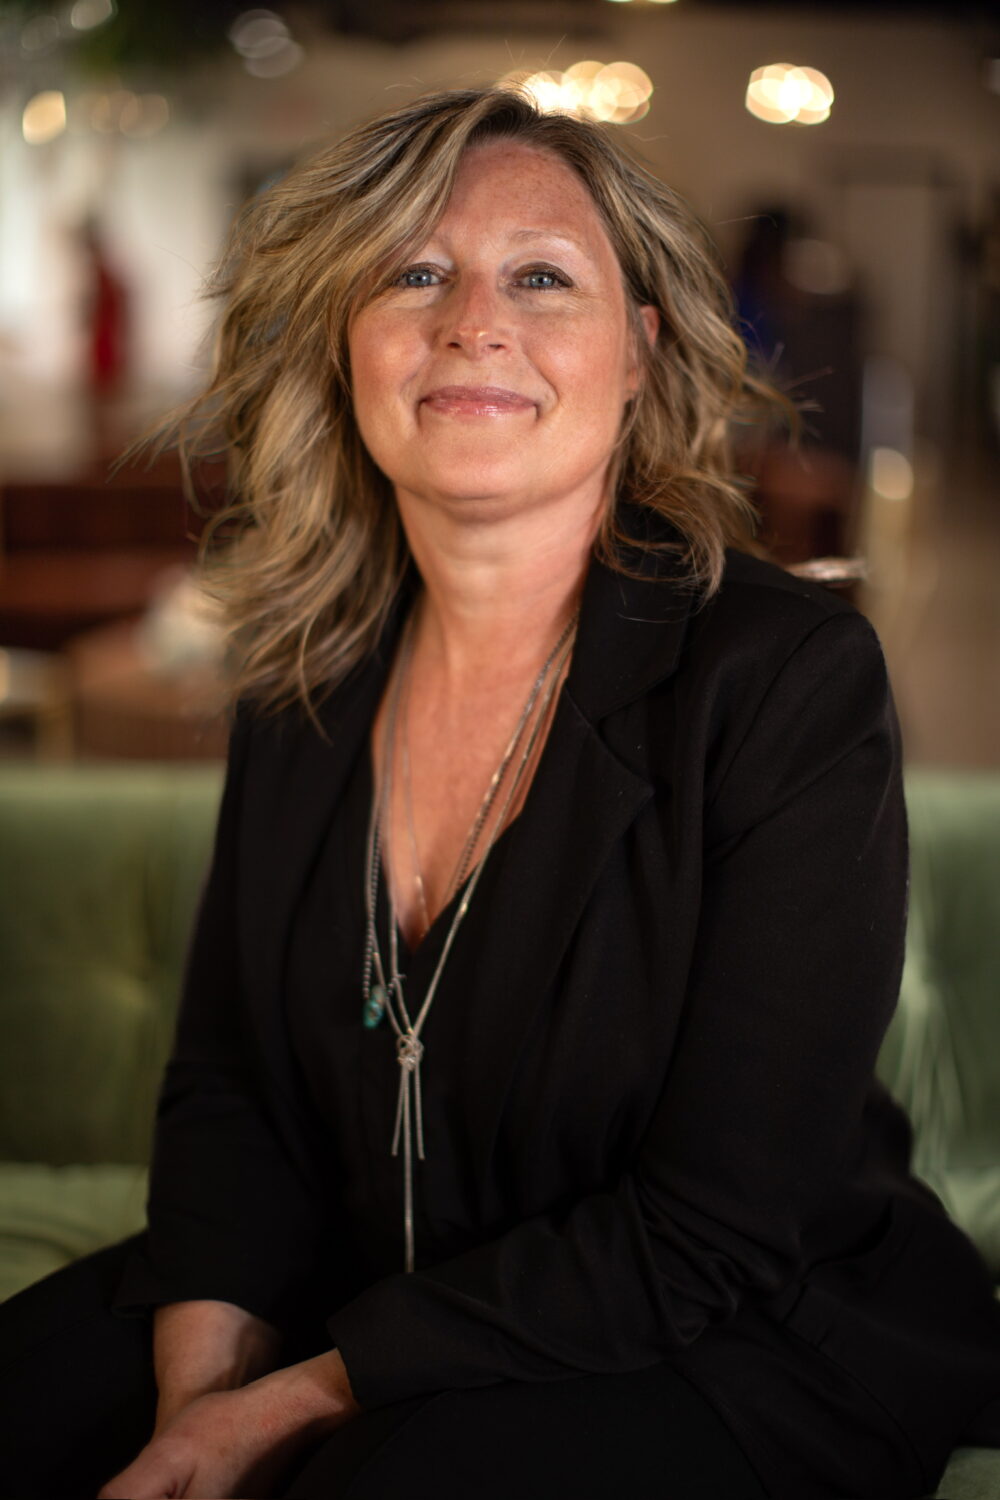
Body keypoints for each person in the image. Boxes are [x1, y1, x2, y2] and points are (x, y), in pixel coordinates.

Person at [2, 86, 999, 1500]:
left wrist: (289, 1402)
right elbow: (227, 1088)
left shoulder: (783, 680)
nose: (473, 320)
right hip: (372, 1259)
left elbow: (711, 1228)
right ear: (346, 340)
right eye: (415, 271)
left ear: (641, 354)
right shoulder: (306, 669)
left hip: (735, 1323)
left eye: (542, 276)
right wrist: (196, 1392)